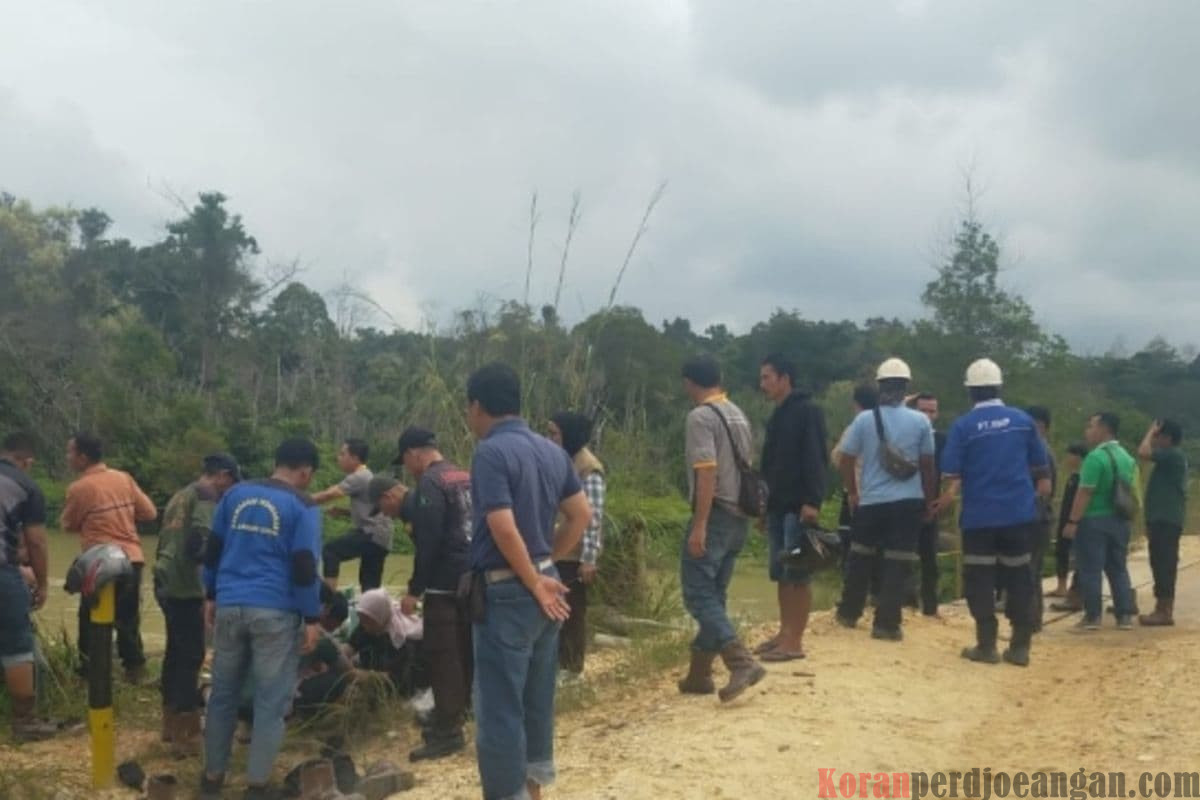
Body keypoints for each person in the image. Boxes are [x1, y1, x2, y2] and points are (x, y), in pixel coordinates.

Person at [465, 363, 592, 800]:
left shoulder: (490, 453)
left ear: (477, 406)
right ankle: (534, 791)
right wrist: (545, 562)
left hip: (509, 590)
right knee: (537, 701)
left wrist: (533, 577)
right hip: (547, 585)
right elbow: (581, 515)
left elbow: (501, 525)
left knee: (500, 708)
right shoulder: (552, 451)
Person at [200, 438, 324, 800]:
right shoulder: (303, 505)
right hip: (274, 610)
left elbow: (213, 549)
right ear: (305, 471)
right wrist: (312, 616)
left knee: (222, 694)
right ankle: (256, 786)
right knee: (271, 702)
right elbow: (304, 565)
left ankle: (212, 779)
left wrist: (210, 594)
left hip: (230, 604)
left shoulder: (235, 495)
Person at [939, 360, 1050, 667]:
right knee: (1019, 577)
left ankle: (986, 645)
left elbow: (950, 471)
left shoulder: (963, 427)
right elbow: (1041, 468)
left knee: (980, 578)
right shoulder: (1022, 420)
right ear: (999, 387)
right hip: (1019, 515)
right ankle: (1019, 646)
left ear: (970, 392)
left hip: (979, 518)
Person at [376, 425, 474, 761]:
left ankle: (447, 732)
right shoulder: (464, 474)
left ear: (413, 453)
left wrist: (415, 590)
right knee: (467, 651)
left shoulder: (430, 483)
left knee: (444, 656)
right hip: (472, 578)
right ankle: (465, 711)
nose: (408, 470)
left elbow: (429, 541)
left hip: (443, 584)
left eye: (406, 462)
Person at [676, 355, 766, 700]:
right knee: (715, 594)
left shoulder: (701, 417)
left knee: (698, 593)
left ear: (689, 382)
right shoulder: (737, 413)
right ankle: (698, 676)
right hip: (739, 514)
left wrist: (699, 524)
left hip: (714, 513)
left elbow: (706, 471)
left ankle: (740, 661)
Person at [835, 358, 937, 641]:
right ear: (906, 386)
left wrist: (854, 491)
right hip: (908, 502)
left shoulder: (864, 420)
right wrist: (929, 502)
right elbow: (928, 466)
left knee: (860, 557)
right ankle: (886, 624)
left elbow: (845, 459)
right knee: (897, 562)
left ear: (880, 386)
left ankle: (849, 612)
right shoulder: (920, 421)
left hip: (871, 502)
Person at [154, 453, 241, 754]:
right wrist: (211, 592)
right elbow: (199, 546)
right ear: (223, 476)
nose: (227, 491)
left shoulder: (182, 494)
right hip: (184, 587)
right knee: (191, 656)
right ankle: (187, 732)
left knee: (175, 653)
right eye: (229, 484)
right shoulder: (206, 497)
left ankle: (169, 723)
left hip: (164, 579)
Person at [60, 432, 157, 683]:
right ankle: (134, 669)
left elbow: (68, 524)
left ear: (83, 457)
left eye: (70, 452)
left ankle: (90, 673)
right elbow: (149, 513)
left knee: (89, 618)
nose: (68, 457)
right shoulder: (123, 478)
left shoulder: (79, 488)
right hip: (131, 558)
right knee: (128, 618)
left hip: (98, 562)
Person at [755, 353, 828, 661]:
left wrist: (813, 501)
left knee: (798, 574)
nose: (763, 384)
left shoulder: (807, 412)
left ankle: (795, 641)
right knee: (782, 573)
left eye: (767, 378)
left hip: (798, 505)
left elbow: (815, 457)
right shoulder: (778, 414)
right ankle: (784, 633)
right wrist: (763, 506)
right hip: (778, 505)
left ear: (785, 379)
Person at [0, 433, 60, 742]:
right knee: (17, 645)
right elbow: (36, 541)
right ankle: (25, 722)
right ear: (27, 461)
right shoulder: (26, 486)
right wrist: (43, 582)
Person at [1061, 413, 1138, 632]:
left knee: (1090, 569)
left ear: (1104, 429)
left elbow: (1085, 492)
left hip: (1094, 519)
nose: (1087, 431)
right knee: (1118, 568)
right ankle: (1124, 616)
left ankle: (1092, 616)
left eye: (1091, 426)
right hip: (1120, 519)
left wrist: (1073, 521)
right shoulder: (1126, 457)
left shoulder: (1095, 458)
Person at [547, 412, 606, 679]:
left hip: (574, 554)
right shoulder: (561, 461)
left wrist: (589, 558)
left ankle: (572, 668)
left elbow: (593, 516)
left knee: (573, 613)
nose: (550, 439)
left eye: (554, 433)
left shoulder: (588, 468)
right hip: (557, 548)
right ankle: (558, 665)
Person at [313, 438, 395, 592]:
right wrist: (343, 512)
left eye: (342, 454)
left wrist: (300, 499)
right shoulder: (367, 475)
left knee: (331, 551)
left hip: (372, 533)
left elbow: (331, 494)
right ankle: (371, 612)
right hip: (382, 538)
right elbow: (370, 510)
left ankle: (328, 600)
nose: (339, 458)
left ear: (355, 458)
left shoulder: (360, 476)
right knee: (369, 586)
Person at [1137, 419, 1188, 626]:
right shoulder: (1171, 458)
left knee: (1164, 562)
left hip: (1166, 519)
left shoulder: (1172, 455)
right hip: (1162, 518)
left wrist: (1150, 431)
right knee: (1159, 561)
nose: (1156, 440)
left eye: (1159, 436)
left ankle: (1164, 610)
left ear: (1167, 438)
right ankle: (1162, 607)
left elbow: (1143, 452)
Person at [906, 393, 946, 617]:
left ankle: (931, 606)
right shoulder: (905, 437)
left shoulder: (942, 440)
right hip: (906, 503)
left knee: (930, 557)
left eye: (932, 411)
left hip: (931, 504)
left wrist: (948, 495)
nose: (928, 416)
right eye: (923, 410)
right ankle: (906, 602)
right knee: (902, 555)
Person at [833, 386, 878, 583]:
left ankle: (851, 589)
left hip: (855, 494)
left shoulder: (855, 427)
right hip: (879, 494)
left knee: (851, 545)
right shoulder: (884, 424)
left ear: (855, 403)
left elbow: (837, 457)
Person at [346, 588, 426, 696]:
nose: (363, 625)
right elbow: (350, 647)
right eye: (361, 619)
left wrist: (361, 675)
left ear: (380, 616)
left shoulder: (399, 639)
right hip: (375, 672)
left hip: (402, 686)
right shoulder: (368, 624)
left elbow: (396, 679)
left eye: (367, 621)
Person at [1025, 406, 1057, 631]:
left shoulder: (1040, 452)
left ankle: (1030, 621)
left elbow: (1044, 489)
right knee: (1031, 571)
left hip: (1035, 518)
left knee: (1029, 572)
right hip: (1039, 517)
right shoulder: (1042, 450)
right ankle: (1032, 620)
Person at [1048, 444, 1088, 607]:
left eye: (1070, 455)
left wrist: (1074, 521)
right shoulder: (1072, 477)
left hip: (1074, 521)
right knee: (1061, 551)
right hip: (1065, 520)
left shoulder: (1082, 477)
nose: (1067, 459)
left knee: (1078, 555)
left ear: (1078, 457)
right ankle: (1061, 586)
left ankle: (1077, 591)